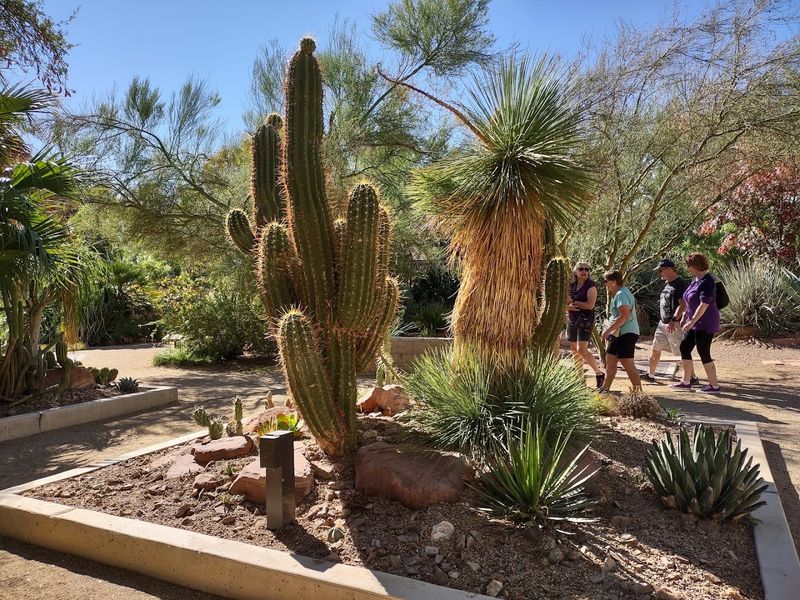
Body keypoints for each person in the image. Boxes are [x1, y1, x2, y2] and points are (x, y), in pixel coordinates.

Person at [671, 253, 721, 393]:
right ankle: (686, 381)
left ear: (697, 265)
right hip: (693, 322)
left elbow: (703, 305)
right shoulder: (696, 279)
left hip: (705, 322)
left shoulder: (708, 281)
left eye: (690, 266)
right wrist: (685, 316)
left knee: (703, 351)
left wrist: (692, 321)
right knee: (685, 347)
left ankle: (714, 385)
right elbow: (689, 300)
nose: (688, 269)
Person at [642, 259, 698, 385]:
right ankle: (650, 374)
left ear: (669, 269)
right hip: (663, 323)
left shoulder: (680, 284)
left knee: (679, 352)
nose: (659, 273)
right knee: (656, 348)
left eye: (661, 270)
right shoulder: (668, 284)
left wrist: (674, 319)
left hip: (675, 324)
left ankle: (691, 377)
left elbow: (683, 304)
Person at [599, 270, 642, 392]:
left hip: (627, 333)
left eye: (606, 281)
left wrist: (607, 331)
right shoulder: (620, 293)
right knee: (610, 360)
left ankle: (638, 392)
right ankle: (605, 389)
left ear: (614, 281)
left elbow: (624, 316)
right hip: (618, 334)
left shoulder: (621, 294)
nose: (605, 284)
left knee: (627, 362)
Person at [566, 262, 605, 389]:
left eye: (587, 269)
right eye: (581, 269)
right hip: (572, 319)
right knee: (573, 350)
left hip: (585, 320)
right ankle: (579, 379)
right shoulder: (571, 285)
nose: (584, 271)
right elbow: (565, 302)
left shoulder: (591, 286)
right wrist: (568, 306)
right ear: (575, 271)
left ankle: (599, 373)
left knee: (582, 349)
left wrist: (573, 302)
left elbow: (590, 305)